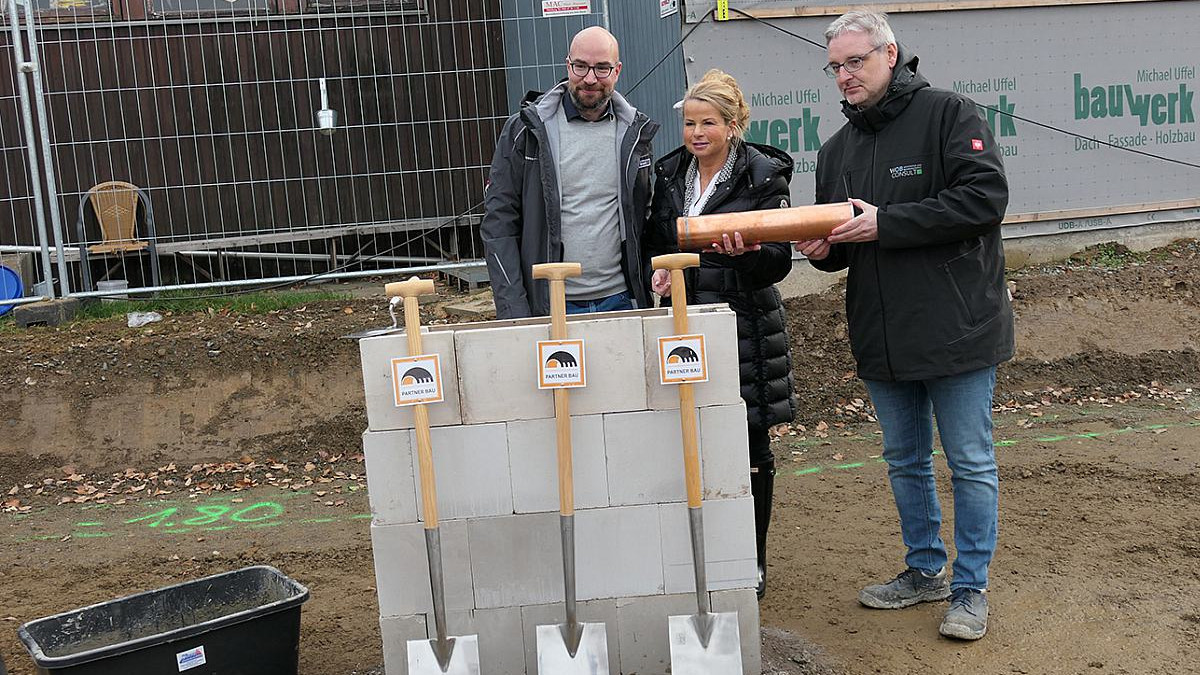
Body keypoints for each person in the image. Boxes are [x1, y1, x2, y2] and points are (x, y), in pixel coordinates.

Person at [795, 11, 1012, 640]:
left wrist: (885, 223)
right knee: (905, 460)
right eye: (834, 66)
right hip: (882, 333)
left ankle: (970, 589)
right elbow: (844, 243)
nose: (844, 76)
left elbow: (984, 200)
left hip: (957, 327)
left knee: (969, 461)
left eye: (854, 61)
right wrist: (823, 249)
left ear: (890, 54)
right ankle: (925, 571)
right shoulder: (836, 149)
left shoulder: (949, 115)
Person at [646, 69, 797, 599]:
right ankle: (701, 550)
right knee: (690, 437)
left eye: (708, 122)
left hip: (744, 324)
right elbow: (656, 240)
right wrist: (660, 269)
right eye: (689, 123)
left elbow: (780, 260)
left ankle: (753, 558)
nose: (696, 133)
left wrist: (749, 254)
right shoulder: (669, 175)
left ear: (733, 125)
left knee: (750, 442)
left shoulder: (760, 177)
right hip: (685, 324)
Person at [481, 26, 659, 319]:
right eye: (581, 66)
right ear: (568, 65)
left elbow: (644, 216)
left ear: (618, 70)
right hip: (550, 305)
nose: (590, 78)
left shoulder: (634, 134)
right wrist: (514, 308)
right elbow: (499, 224)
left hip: (621, 301)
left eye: (602, 68)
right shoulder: (526, 131)